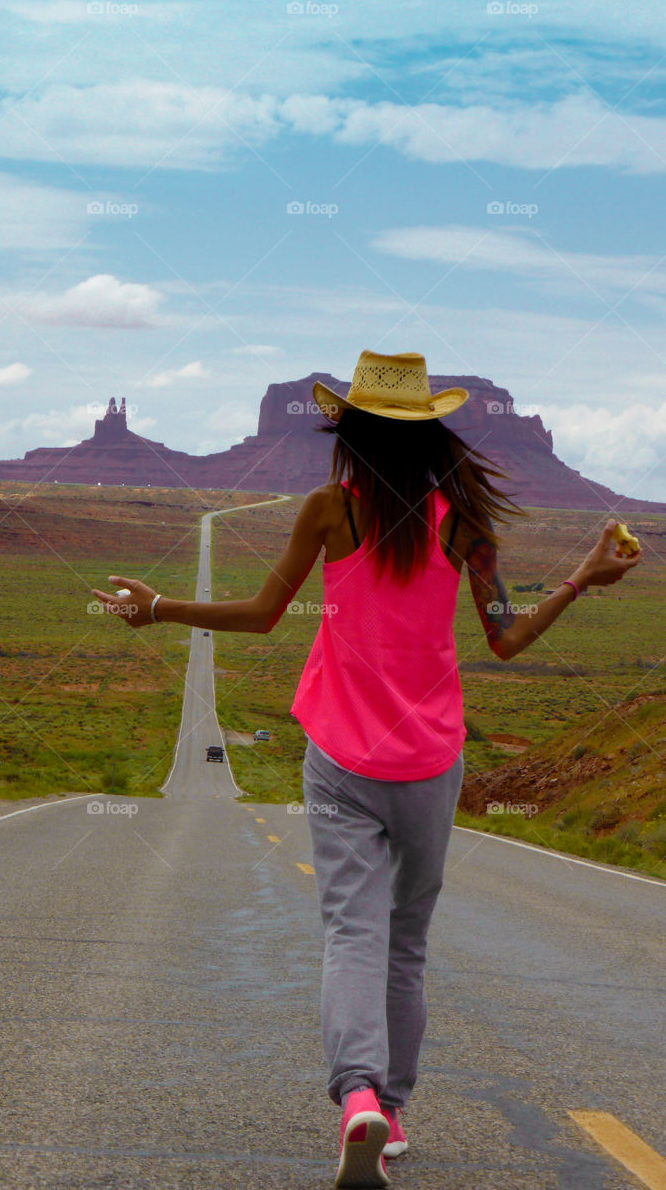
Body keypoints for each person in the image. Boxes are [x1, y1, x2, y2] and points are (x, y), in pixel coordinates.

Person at [91, 349, 642, 1189]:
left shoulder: (326, 510)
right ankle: (393, 1113)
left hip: (340, 757)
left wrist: (156, 609)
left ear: (348, 434)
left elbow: (262, 614)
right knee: (405, 944)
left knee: (352, 931)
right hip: (430, 761)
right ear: (431, 434)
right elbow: (506, 637)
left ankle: (357, 1098)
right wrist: (581, 581)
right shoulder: (464, 525)